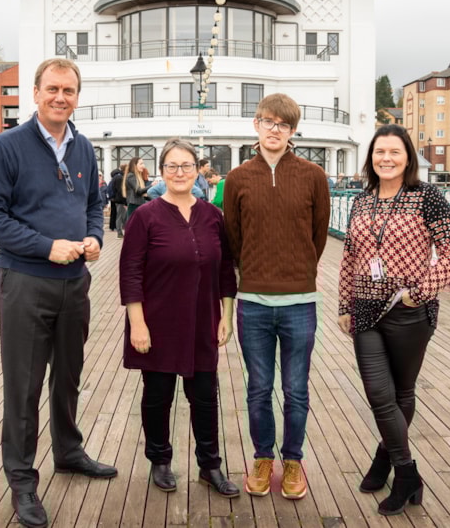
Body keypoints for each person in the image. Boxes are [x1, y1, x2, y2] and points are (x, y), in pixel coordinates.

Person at [0, 57, 117, 528]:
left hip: (75, 282)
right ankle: (22, 481)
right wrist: (45, 246)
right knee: (24, 385)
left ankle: (69, 451)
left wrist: (93, 235)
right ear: (35, 93)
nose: (60, 97)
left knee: (69, 375)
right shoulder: (8, 146)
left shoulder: (84, 147)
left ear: (77, 97)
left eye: (68, 90)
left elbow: (94, 204)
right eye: (52, 89)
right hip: (25, 282)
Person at [336, 124, 450, 516]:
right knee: (379, 394)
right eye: (380, 152)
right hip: (365, 308)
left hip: (409, 312)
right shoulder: (362, 201)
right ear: (371, 157)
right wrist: (344, 304)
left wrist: (419, 293)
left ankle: (384, 459)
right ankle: (407, 473)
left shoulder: (427, 197)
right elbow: (351, 256)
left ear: (407, 158)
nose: (386, 158)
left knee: (402, 393)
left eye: (394, 152)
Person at [222, 93, 330, 500]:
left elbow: (318, 234)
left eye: (283, 124)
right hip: (253, 301)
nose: (274, 129)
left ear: (292, 131)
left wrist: (298, 269)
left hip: (299, 301)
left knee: (296, 389)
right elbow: (233, 236)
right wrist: (254, 270)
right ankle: (263, 457)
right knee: (258, 388)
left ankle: (294, 460)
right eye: (268, 121)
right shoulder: (237, 178)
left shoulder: (313, 175)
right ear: (256, 124)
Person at [119, 138, 240, 499]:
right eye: (171, 166)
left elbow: (226, 269)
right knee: (158, 396)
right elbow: (130, 273)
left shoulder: (213, 216)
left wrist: (226, 315)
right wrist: (138, 324)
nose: (179, 172)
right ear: (162, 171)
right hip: (158, 321)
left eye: (186, 165)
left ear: (196, 171)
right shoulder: (145, 217)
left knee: (205, 395)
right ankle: (159, 460)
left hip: (202, 319)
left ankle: (210, 465)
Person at [110, 164, 127, 238]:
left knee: (122, 216)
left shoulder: (116, 176)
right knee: (120, 217)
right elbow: (121, 190)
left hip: (118, 200)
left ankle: (122, 232)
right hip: (120, 200)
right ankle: (119, 233)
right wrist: (124, 201)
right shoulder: (119, 178)